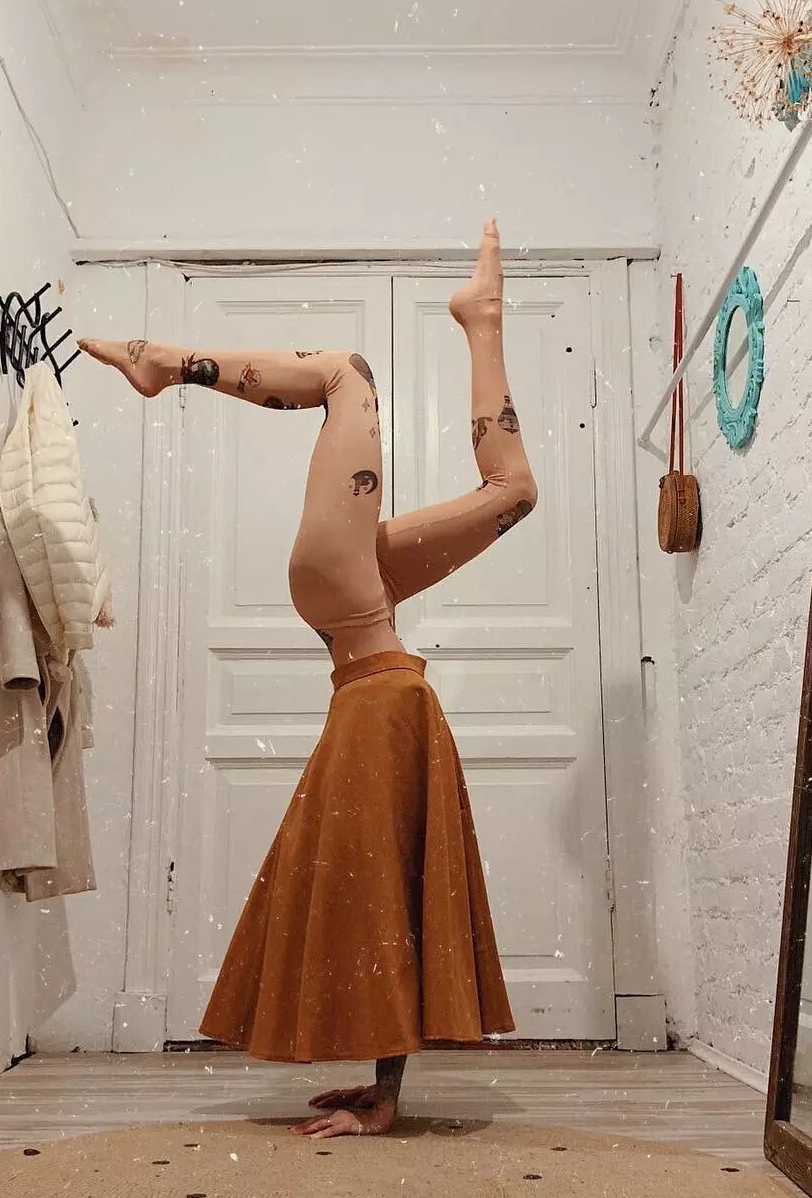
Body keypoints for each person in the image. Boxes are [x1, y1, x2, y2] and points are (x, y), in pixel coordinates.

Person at [79, 219, 536, 1138]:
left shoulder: (395, 714)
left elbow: (384, 909)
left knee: (365, 388)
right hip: (361, 621)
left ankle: (173, 363)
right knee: (365, 389)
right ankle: (476, 320)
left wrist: (385, 1098)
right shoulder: (400, 711)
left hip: (360, 616)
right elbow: (388, 909)